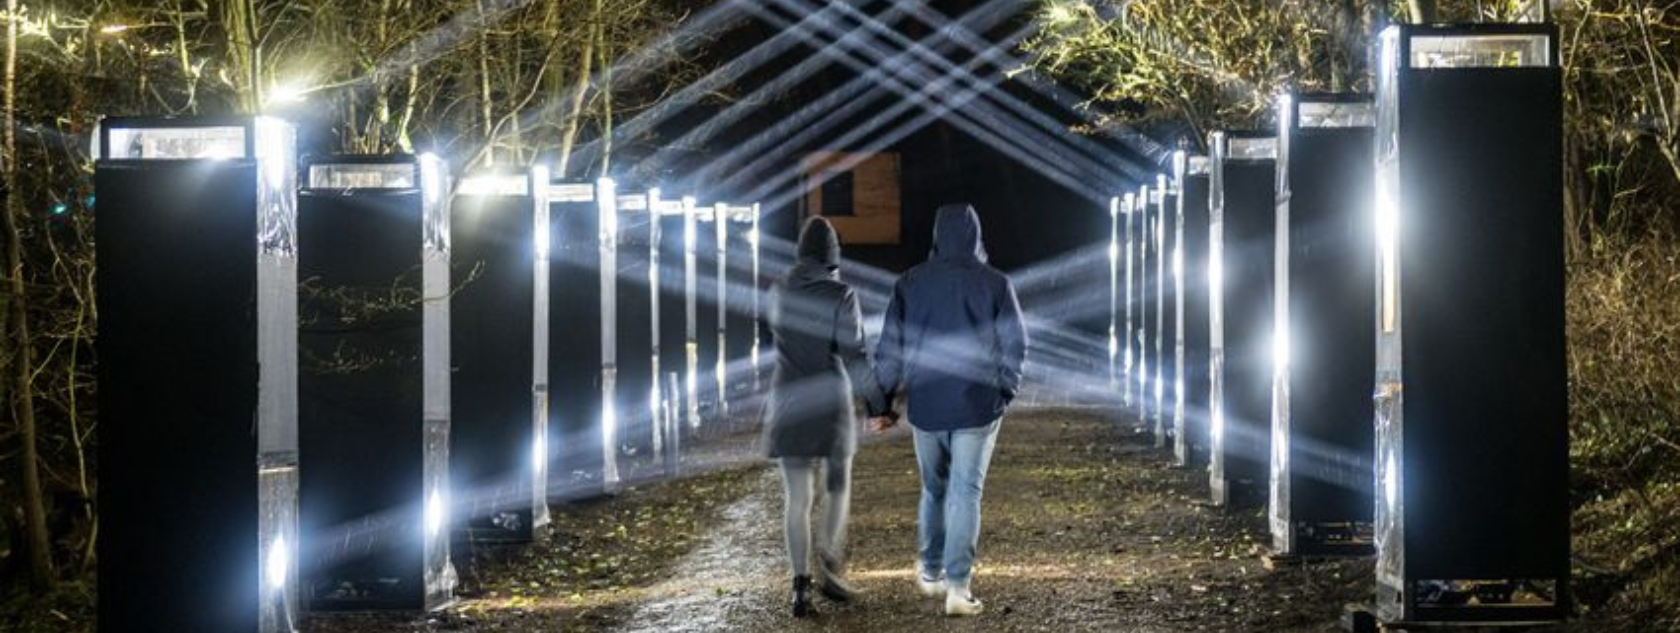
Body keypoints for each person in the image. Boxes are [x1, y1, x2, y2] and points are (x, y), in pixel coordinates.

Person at [872, 204, 1026, 617]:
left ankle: (930, 569)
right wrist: (1005, 389)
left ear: (937, 235)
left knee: (934, 488)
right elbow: (1014, 343)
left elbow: (891, 347)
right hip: (978, 403)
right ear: (977, 235)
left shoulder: (911, 282)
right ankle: (958, 587)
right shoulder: (995, 284)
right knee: (966, 492)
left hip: (927, 402)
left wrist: (882, 402)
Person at [763, 217, 893, 618]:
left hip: (787, 398)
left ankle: (799, 585)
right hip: (830, 401)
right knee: (838, 485)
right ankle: (829, 556)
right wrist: (878, 405)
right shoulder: (841, 294)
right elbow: (854, 356)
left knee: (797, 498)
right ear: (833, 256)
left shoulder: (778, 290)